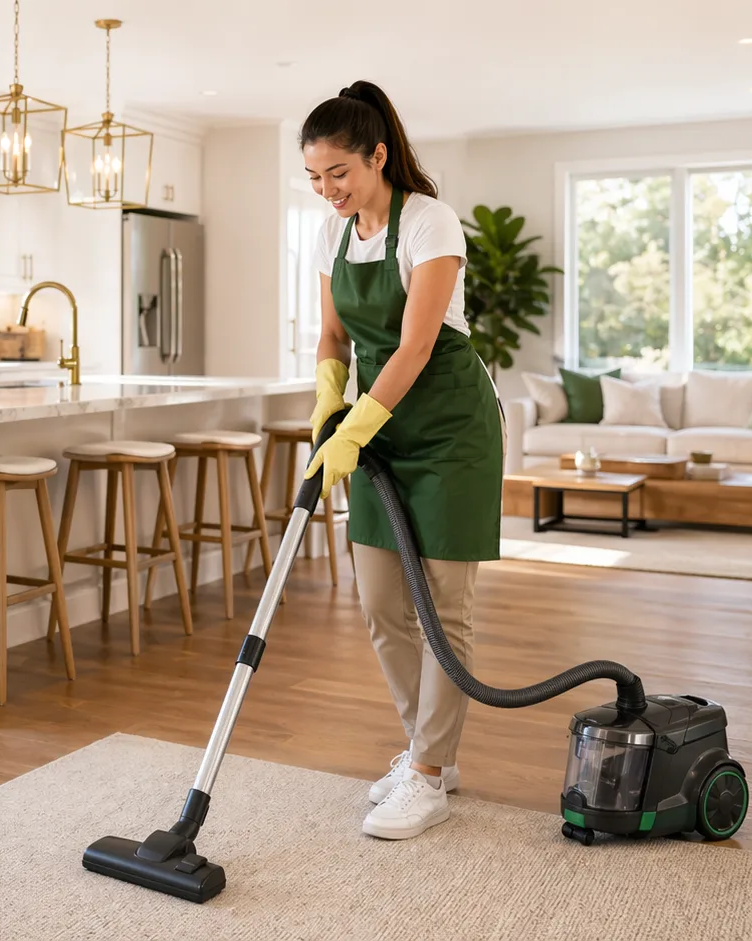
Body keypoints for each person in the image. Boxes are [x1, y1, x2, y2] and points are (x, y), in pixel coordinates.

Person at [299, 80, 503, 841]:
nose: (328, 192)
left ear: (377, 156)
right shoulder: (330, 235)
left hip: (451, 432)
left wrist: (353, 430)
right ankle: (430, 754)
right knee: (382, 604)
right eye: (315, 178)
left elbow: (417, 345)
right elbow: (334, 336)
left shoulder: (430, 222)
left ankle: (424, 775)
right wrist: (327, 402)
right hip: (379, 429)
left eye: (339, 175)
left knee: (444, 608)